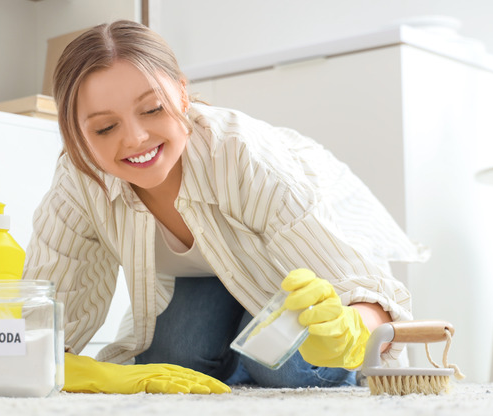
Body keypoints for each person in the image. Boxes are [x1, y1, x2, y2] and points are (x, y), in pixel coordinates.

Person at [23, 20, 428, 394]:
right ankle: (240, 344)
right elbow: (42, 325)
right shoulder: (79, 180)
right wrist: (93, 373)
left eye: (152, 109)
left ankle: (254, 353)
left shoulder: (243, 155)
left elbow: (368, 291)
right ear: (75, 132)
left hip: (300, 259)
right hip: (207, 277)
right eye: (105, 127)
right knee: (171, 360)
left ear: (182, 93)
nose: (136, 138)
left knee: (284, 369)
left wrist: (353, 331)